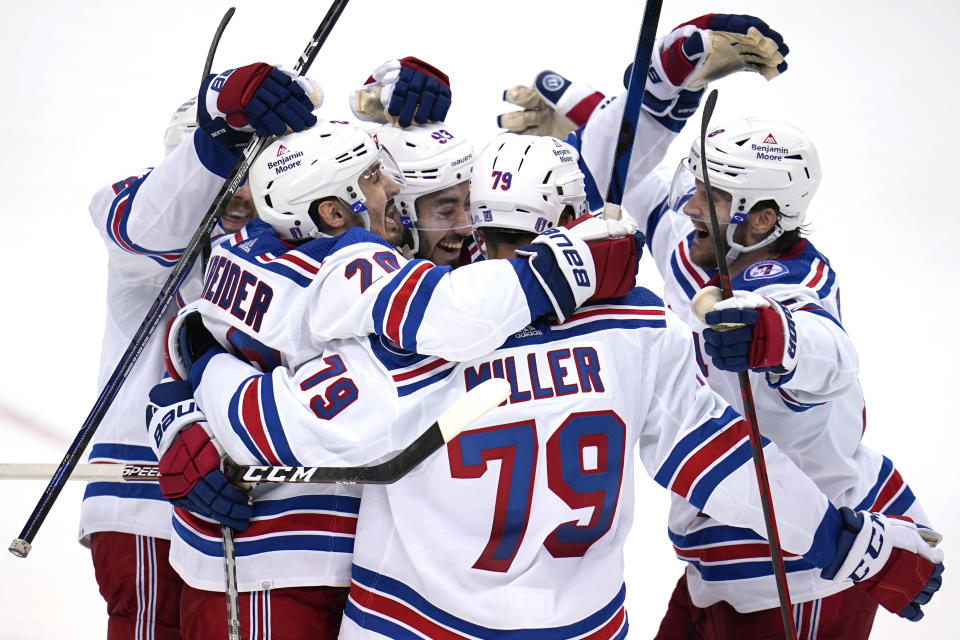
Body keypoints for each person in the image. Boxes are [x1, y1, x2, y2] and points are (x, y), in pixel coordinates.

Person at [156, 132, 943, 638]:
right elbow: (725, 462)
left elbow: (288, 426)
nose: (466, 236)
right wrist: (851, 544)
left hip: (415, 625)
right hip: (584, 628)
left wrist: (199, 374)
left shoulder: (424, 341)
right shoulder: (641, 328)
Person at [528, 21, 944, 634]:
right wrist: (658, 88)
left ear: (762, 219)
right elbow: (618, 178)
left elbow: (830, 353)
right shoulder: (700, 242)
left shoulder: (793, 287)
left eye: (711, 195)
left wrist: (772, 335)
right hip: (719, 561)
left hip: (807, 579)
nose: (691, 204)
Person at [80, 61, 320, 639]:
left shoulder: (277, 240)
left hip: (248, 502)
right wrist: (218, 133)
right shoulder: (133, 216)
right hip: (144, 500)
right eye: (223, 167)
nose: (236, 192)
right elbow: (154, 226)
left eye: (252, 169)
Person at [373, 123, 475, 267]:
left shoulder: (489, 251)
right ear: (390, 212)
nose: (466, 229)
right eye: (446, 211)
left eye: (469, 204)